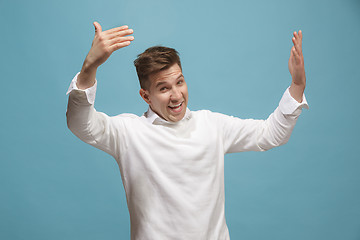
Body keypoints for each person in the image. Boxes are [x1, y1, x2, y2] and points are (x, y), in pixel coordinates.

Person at [66, 21, 309, 240]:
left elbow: (271, 134)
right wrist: (89, 68)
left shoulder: (211, 125)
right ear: (145, 96)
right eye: (163, 88)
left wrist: (297, 85)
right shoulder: (127, 132)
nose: (176, 95)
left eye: (179, 82)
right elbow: (80, 124)